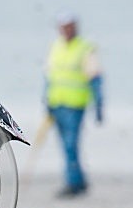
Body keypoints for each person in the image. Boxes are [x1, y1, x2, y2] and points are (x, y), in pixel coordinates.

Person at [44, 11, 104, 197]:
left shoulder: (85, 48)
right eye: (64, 27)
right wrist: (46, 101)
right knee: (65, 145)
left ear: (75, 26)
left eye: (70, 26)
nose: (67, 30)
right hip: (57, 103)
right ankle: (79, 180)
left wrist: (99, 105)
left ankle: (73, 183)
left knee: (71, 144)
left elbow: (95, 78)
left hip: (75, 105)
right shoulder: (56, 47)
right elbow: (49, 76)